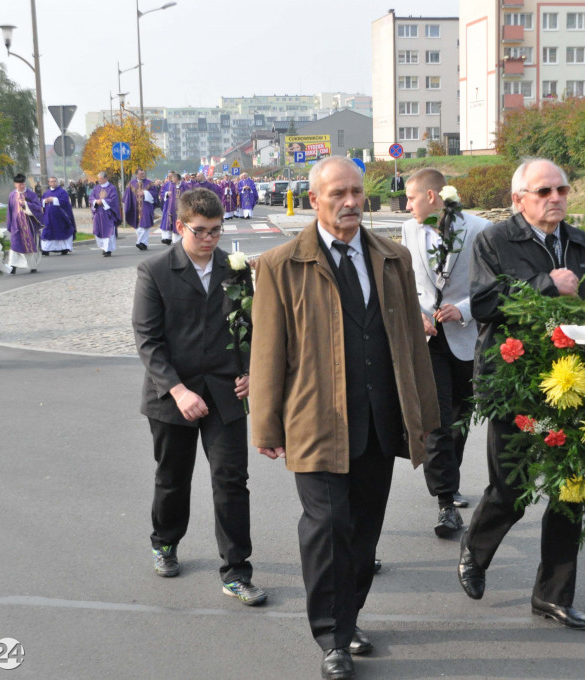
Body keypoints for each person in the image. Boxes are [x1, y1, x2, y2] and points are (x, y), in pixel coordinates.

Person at [250, 156, 440, 680]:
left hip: (379, 422)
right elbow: (267, 353)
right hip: (316, 422)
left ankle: (348, 616)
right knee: (328, 527)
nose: (351, 202)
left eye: (357, 191)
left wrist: (423, 413)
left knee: (363, 533)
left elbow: (410, 346)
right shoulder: (281, 266)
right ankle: (332, 637)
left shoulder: (393, 258)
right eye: (338, 193)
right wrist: (265, 424)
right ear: (314, 200)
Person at [458, 158, 585, 631]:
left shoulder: (584, 244)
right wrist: (547, 285)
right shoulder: (495, 241)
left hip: (576, 385)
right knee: (512, 488)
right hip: (516, 385)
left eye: (561, 189)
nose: (555, 198)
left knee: (572, 490)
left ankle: (552, 596)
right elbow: (483, 302)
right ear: (518, 199)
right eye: (543, 191)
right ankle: (475, 549)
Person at [132, 187, 268, 606]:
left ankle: (236, 570)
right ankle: (165, 542)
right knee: (173, 478)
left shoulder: (236, 268)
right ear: (180, 227)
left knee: (231, 480)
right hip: (172, 394)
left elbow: (249, 326)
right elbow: (148, 341)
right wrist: (177, 390)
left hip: (226, 393)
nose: (210, 239)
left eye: (216, 230)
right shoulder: (154, 270)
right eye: (201, 231)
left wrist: (249, 371)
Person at [401, 169, 491, 538]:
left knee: (459, 417)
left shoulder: (479, 229)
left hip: (466, 336)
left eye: (411, 198)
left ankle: (449, 484)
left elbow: (493, 282)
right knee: (434, 418)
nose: (407, 206)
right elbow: (405, 281)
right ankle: (444, 504)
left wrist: (465, 309)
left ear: (432, 197)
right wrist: (417, 315)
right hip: (428, 338)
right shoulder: (409, 230)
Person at [7, 173, 43, 273]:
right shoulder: (12, 195)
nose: (21, 186)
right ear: (15, 184)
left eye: (23, 184)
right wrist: (9, 224)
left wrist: (27, 204)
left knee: (29, 245)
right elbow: (10, 210)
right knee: (15, 245)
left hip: (29, 225)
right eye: (19, 184)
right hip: (16, 225)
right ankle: (12, 266)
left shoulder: (31, 194)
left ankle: (32, 266)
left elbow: (38, 207)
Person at [41, 176, 76, 255]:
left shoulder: (62, 192)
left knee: (61, 232)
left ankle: (64, 248)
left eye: (55, 181)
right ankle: (46, 249)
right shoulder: (46, 193)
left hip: (60, 218)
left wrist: (54, 199)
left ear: (57, 182)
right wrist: (44, 201)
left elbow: (66, 202)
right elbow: (42, 202)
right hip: (49, 218)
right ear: (49, 183)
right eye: (52, 181)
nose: (53, 183)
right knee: (48, 232)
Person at [124, 168, 157, 250]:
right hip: (135, 208)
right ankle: (144, 243)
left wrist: (145, 193)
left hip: (146, 207)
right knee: (138, 228)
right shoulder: (131, 184)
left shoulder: (149, 183)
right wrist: (128, 206)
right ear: (136, 175)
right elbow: (127, 196)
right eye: (141, 174)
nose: (143, 175)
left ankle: (139, 242)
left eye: (144, 173)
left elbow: (155, 193)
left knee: (145, 225)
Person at [90, 172, 121, 257]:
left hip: (108, 214)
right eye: (98, 179)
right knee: (98, 231)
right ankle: (104, 247)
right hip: (98, 214)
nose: (98, 180)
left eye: (100, 179)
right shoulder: (96, 188)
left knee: (109, 232)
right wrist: (96, 202)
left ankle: (108, 250)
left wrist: (103, 201)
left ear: (105, 179)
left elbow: (114, 200)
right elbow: (91, 198)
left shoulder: (112, 188)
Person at [158, 172, 181, 245]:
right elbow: (162, 192)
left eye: (172, 176)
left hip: (177, 207)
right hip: (168, 206)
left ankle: (176, 239)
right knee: (167, 222)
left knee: (175, 222)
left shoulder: (179, 185)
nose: (170, 177)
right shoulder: (167, 184)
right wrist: (167, 193)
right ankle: (167, 238)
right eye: (169, 176)